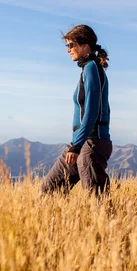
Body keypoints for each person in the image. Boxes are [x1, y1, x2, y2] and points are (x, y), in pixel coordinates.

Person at [42, 25, 112, 196]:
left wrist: (76, 146)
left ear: (85, 45)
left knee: (97, 200)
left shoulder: (91, 68)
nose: (68, 50)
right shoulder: (88, 69)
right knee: (50, 190)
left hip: (91, 142)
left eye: (71, 45)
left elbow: (92, 110)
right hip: (82, 142)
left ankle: (109, 224)